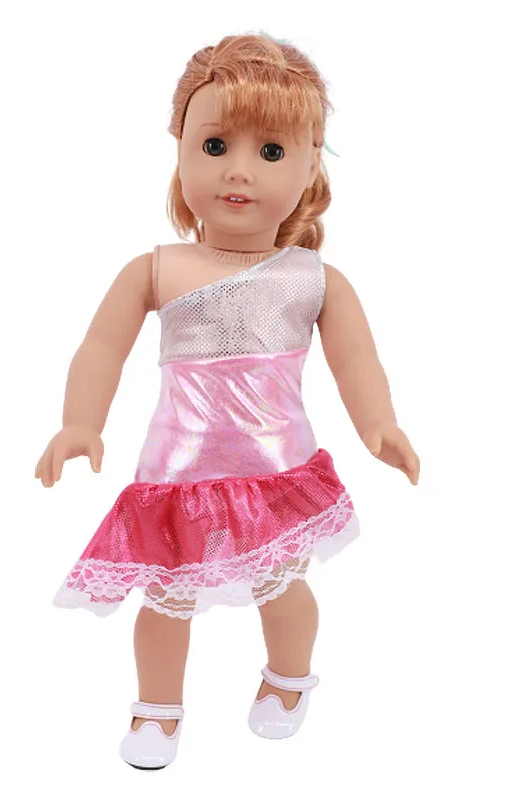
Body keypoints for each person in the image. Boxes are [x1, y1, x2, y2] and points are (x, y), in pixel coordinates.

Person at [34, 32, 420, 770]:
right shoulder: (156, 269)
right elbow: (101, 348)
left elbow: (357, 360)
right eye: (215, 146)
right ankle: (157, 708)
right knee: (165, 601)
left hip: (275, 472)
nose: (239, 171)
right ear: (180, 149)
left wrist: (380, 424)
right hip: (177, 475)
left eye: (271, 152)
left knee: (284, 587)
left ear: (311, 163)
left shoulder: (314, 279)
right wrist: (79, 423)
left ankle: (288, 679)